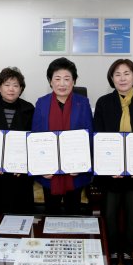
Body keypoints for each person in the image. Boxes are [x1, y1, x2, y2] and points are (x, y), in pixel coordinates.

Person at [93, 59, 133, 265]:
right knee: (109, 212)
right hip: (110, 172)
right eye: (117, 74)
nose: (122, 78)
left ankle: (128, 251)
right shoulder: (103, 102)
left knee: (132, 212)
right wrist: (110, 167)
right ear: (112, 78)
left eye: (126, 73)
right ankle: (112, 249)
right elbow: (98, 137)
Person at [31, 57, 93, 215]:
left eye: (67, 79)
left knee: (74, 212)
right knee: (51, 214)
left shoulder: (83, 102)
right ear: (50, 81)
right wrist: (41, 167)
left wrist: (82, 164)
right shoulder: (41, 103)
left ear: (74, 81)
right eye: (57, 79)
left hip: (75, 171)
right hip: (49, 172)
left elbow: (89, 137)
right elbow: (36, 138)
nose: (62, 83)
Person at [0, 67, 35, 222]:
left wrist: (23, 165)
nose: (11, 89)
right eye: (7, 84)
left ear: (21, 89)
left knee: (20, 220)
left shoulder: (29, 109)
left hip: (19, 175)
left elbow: (34, 142)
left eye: (16, 85)